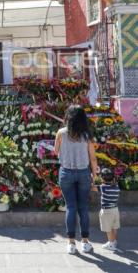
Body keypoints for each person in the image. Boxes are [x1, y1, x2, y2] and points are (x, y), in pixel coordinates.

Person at [54, 105, 98, 255]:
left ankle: (71, 243)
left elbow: (56, 151)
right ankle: (85, 242)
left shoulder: (61, 133)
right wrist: (95, 178)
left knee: (71, 207)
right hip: (84, 173)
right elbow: (93, 159)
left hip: (66, 173)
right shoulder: (87, 135)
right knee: (83, 208)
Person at [93, 168, 120, 251]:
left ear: (102, 178)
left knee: (108, 229)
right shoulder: (116, 186)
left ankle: (111, 244)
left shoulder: (103, 187)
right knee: (114, 227)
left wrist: (93, 178)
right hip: (115, 209)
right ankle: (114, 241)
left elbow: (93, 188)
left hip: (107, 211)